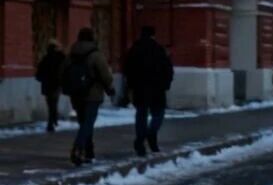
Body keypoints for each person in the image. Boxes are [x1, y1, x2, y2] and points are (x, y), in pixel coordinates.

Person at [61, 28, 115, 166]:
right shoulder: (96, 54)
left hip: (76, 94)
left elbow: (62, 72)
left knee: (84, 123)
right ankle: (78, 148)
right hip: (93, 94)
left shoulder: (71, 54)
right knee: (88, 123)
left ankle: (89, 152)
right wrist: (109, 87)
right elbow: (106, 75)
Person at [124, 26, 174, 156]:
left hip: (140, 88)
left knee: (141, 114)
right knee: (158, 114)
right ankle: (151, 134)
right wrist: (166, 84)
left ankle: (140, 142)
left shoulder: (134, 49)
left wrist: (131, 86)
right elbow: (168, 69)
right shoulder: (159, 49)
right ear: (153, 35)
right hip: (157, 89)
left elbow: (128, 69)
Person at [35, 39, 65, 133]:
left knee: (50, 104)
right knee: (54, 103)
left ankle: (53, 120)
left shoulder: (45, 58)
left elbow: (38, 73)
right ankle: (51, 123)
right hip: (56, 84)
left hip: (47, 84)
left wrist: (43, 79)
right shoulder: (61, 57)